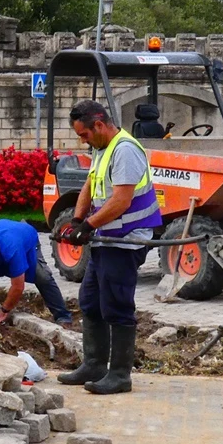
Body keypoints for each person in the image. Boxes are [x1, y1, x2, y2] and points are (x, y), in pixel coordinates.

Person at [56, 100, 163, 395]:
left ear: (99, 125)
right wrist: (77, 220)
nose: (83, 140)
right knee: (90, 300)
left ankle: (119, 375)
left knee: (117, 304)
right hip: (107, 236)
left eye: (85, 135)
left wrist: (87, 227)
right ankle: (94, 364)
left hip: (126, 240)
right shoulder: (102, 148)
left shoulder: (125, 150)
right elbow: (91, 184)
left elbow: (121, 200)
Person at [0, 219, 74, 328]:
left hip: (27, 240)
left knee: (43, 277)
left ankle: (63, 316)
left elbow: (18, 286)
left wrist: (4, 310)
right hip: (4, 231)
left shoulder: (12, 251)